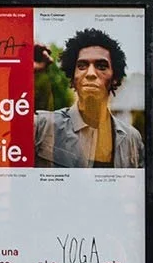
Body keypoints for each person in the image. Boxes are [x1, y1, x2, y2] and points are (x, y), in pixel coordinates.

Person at [34, 28, 142, 168]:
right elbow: (0, 135)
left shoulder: (132, 139)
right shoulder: (42, 126)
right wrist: (22, 67)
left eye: (101, 66)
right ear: (73, 78)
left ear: (114, 78)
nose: (90, 73)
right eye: (82, 66)